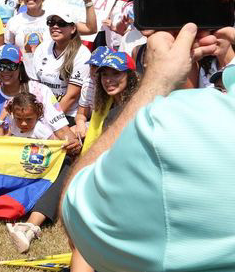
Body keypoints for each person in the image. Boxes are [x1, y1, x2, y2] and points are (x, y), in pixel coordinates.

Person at [60, 17, 234, 272]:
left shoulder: (157, 129)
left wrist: (156, 84)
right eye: (103, 73)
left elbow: (78, 214)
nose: (108, 79)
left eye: (115, 72)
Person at [0, 92, 79, 254]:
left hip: (37, 167)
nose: (23, 123)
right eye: (19, 118)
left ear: (38, 114)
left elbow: (55, 145)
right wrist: (3, 116)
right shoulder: (12, 123)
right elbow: (0, 140)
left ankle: (29, 227)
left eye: (28, 119)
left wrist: (62, 146)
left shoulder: (41, 129)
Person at [0, 45, 72, 141]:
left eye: (11, 66)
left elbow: (61, 128)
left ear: (20, 66)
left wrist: (72, 142)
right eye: (0, 66)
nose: (5, 70)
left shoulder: (42, 91)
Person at [33, 10, 92, 122]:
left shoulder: (82, 54)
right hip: (41, 112)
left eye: (61, 23)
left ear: (73, 29)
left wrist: (48, 120)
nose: (55, 26)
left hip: (67, 115)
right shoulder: (42, 48)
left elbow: (71, 97)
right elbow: (35, 86)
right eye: (51, 22)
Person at [75, 50, 140, 153]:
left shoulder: (139, 106)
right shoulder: (103, 104)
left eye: (116, 73)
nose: (108, 80)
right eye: (104, 75)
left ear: (130, 75)